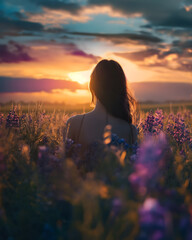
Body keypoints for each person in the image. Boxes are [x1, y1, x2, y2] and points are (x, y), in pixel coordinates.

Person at [66, 59, 137, 150]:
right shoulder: (131, 130)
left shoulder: (75, 123)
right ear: (122, 88)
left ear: (92, 86)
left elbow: (65, 163)